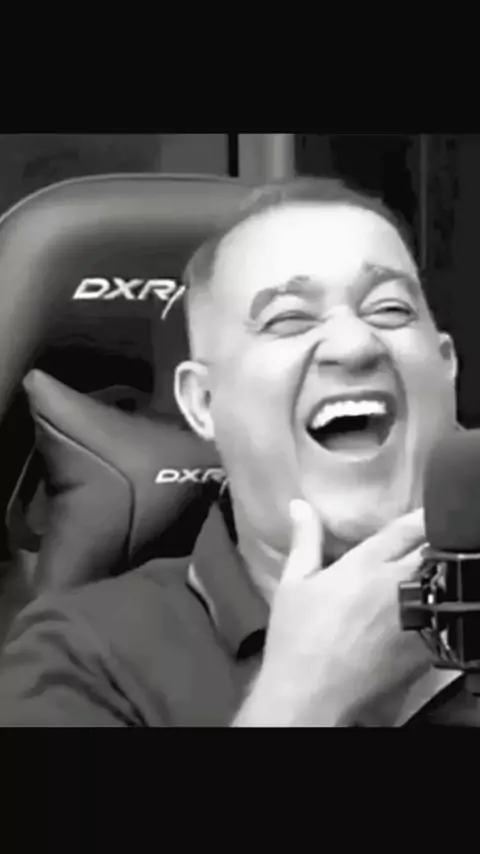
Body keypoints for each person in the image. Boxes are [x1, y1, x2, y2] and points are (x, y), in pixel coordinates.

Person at [0, 176, 474, 726]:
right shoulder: (78, 659)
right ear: (203, 402)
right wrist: (308, 696)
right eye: (289, 318)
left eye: (389, 310)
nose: (355, 345)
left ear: (446, 365)